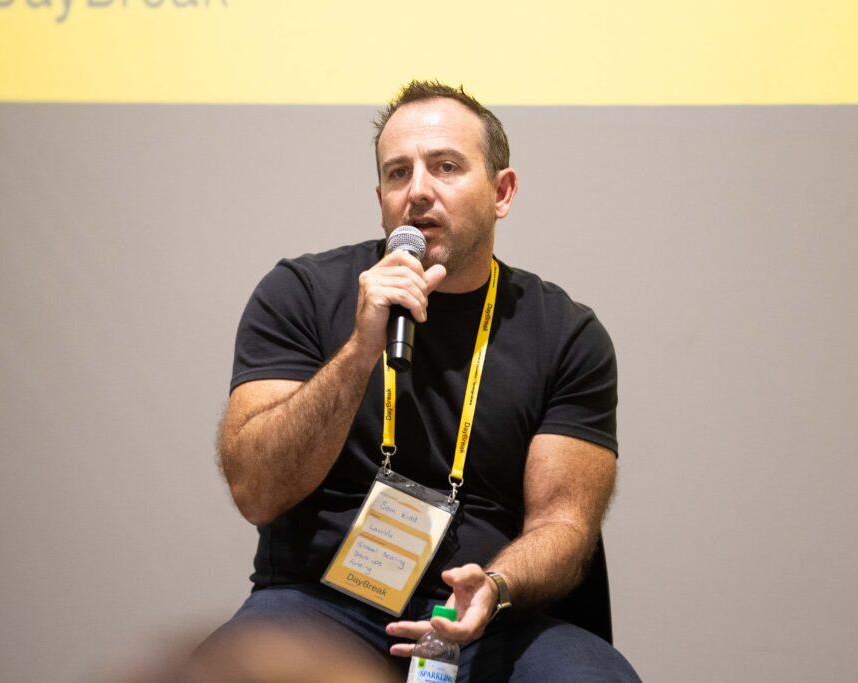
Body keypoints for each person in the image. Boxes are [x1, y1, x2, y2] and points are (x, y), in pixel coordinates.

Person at [212, 80, 640, 681]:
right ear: (381, 197)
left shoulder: (565, 334)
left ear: (502, 192)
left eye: (445, 167)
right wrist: (359, 350)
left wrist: (496, 585)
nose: (417, 191)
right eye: (398, 173)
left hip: (492, 620)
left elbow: (563, 523)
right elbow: (256, 491)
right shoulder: (301, 294)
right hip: (321, 608)